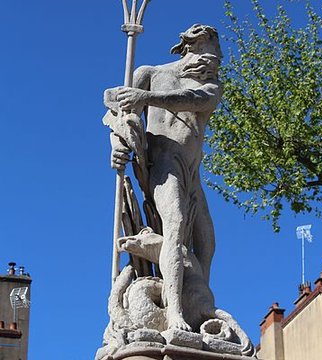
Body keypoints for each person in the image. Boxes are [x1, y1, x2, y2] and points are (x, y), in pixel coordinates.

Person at [104, 24, 222, 331]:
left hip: (192, 170)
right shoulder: (150, 72)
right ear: (188, 52)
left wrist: (146, 96)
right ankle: (174, 312)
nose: (212, 67)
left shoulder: (209, 85)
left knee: (206, 240)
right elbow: (119, 115)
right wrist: (117, 146)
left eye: (216, 62)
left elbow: (193, 100)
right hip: (165, 163)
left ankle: (199, 303)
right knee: (175, 222)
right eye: (206, 59)